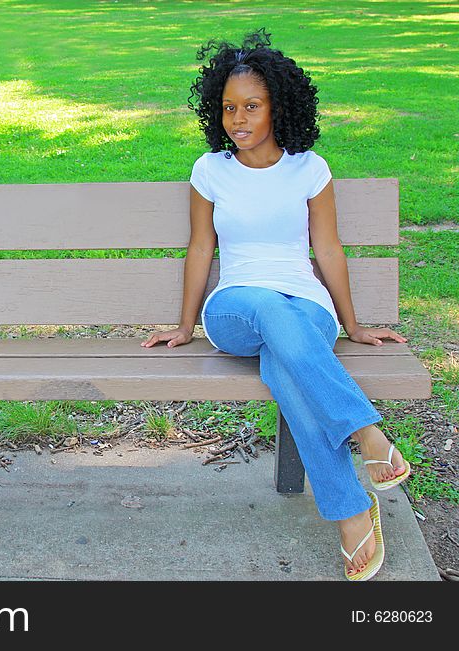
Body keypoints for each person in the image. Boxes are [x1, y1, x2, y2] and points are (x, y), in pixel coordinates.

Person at [141, 29, 411, 580]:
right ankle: (367, 434)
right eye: (228, 107)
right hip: (235, 308)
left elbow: (327, 249)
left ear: (278, 108)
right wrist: (184, 325)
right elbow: (200, 248)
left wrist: (353, 325)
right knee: (268, 310)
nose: (237, 119)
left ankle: (353, 512)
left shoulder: (309, 168)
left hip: (305, 304)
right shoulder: (209, 170)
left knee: (286, 363)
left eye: (252, 106)